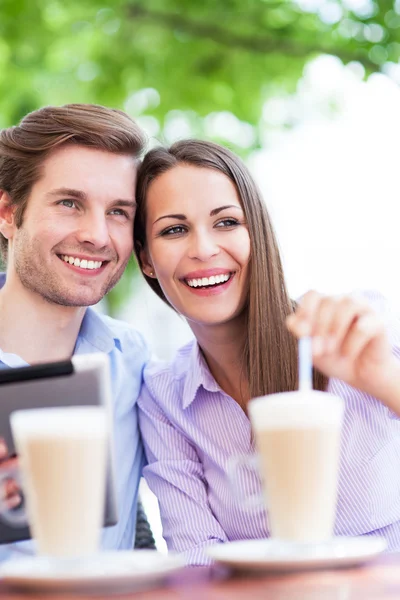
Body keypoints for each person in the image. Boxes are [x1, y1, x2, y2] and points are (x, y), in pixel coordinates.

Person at [133, 139, 400, 565]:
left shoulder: (357, 332)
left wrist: (383, 379)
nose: (203, 249)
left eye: (226, 223)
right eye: (174, 230)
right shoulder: (164, 398)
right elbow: (196, 559)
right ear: (146, 259)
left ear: (257, 232)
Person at [0, 104, 148, 559]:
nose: (97, 235)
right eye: (70, 203)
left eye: (119, 212)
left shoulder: (133, 361)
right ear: (8, 213)